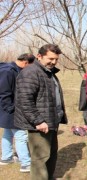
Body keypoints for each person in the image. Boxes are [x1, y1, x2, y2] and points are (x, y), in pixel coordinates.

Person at [14, 44, 68, 180]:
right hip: (40, 124)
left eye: (56, 59)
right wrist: (38, 121)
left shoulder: (48, 72)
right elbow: (24, 101)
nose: (54, 62)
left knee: (51, 154)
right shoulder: (31, 72)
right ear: (39, 56)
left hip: (51, 121)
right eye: (50, 58)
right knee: (40, 158)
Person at [0, 53, 35, 173]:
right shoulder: (8, 71)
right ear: (26, 63)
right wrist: (11, 109)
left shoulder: (15, 70)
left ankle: (6, 158)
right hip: (9, 109)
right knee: (21, 135)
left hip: (8, 109)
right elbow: (4, 92)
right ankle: (26, 163)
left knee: (8, 133)